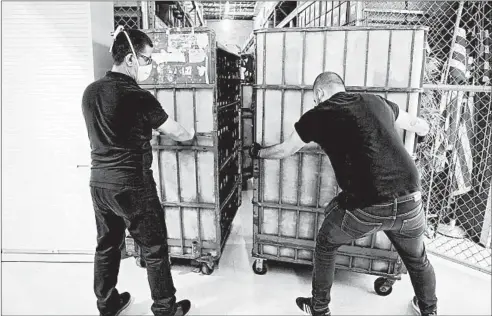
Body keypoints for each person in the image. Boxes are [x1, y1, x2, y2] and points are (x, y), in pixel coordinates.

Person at [250, 72, 437, 316]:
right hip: (411, 198)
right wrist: (423, 131)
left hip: (366, 203)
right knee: (418, 260)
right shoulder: (376, 101)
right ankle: (429, 310)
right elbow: (417, 124)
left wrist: (258, 153)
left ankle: (319, 308)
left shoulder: (318, 115)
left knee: (326, 243)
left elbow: (286, 150)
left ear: (319, 94)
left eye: (315, 99)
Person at [82, 27, 193, 316]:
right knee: (154, 249)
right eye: (147, 60)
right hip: (133, 185)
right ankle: (165, 309)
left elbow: (112, 129)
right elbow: (176, 131)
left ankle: (107, 304)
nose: (148, 66)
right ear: (130, 58)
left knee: (107, 245)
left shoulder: (90, 92)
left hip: (99, 183)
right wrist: (190, 133)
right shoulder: (138, 96)